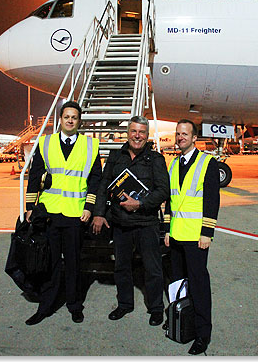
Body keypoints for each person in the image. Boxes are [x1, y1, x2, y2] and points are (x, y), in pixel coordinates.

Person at [25, 100, 102, 325]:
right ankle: (45, 306)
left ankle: (74, 305)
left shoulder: (90, 146)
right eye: (67, 116)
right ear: (60, 119)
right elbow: (34, 176)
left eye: (74, 117)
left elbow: (95, 179)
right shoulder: (45, 143)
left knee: (73, 262)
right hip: (49, 212)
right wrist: (31, 207)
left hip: (76, 213)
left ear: (79, 121)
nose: (70, 120)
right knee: (50, 262)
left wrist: (89, 207)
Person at [92, 116, 170, 326]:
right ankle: (124, 304)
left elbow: (163, 190)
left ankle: (155, 308)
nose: (137, 136)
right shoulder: (116, 157)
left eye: (142, 132)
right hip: (121, 223)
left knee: (153, 268)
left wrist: (140, 204)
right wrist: (99, 213)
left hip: (146, 223)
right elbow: (103, 186)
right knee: (122, 267)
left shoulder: (156, 159)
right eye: (134, 131)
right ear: (128, 133)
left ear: (147, 135)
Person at [164, 119, 220, 355]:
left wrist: (207, 233)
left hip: (197, 237)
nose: (180, 137)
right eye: (178, 134)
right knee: (178, 284)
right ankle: (181, 321)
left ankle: (202, 333)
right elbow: (171, 201)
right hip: (176, 235)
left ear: (194, 138)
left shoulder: (208, 162)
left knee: (198, 285)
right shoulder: (174, 164)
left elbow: (212, 200)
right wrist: (167, 229)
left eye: (185, 134)